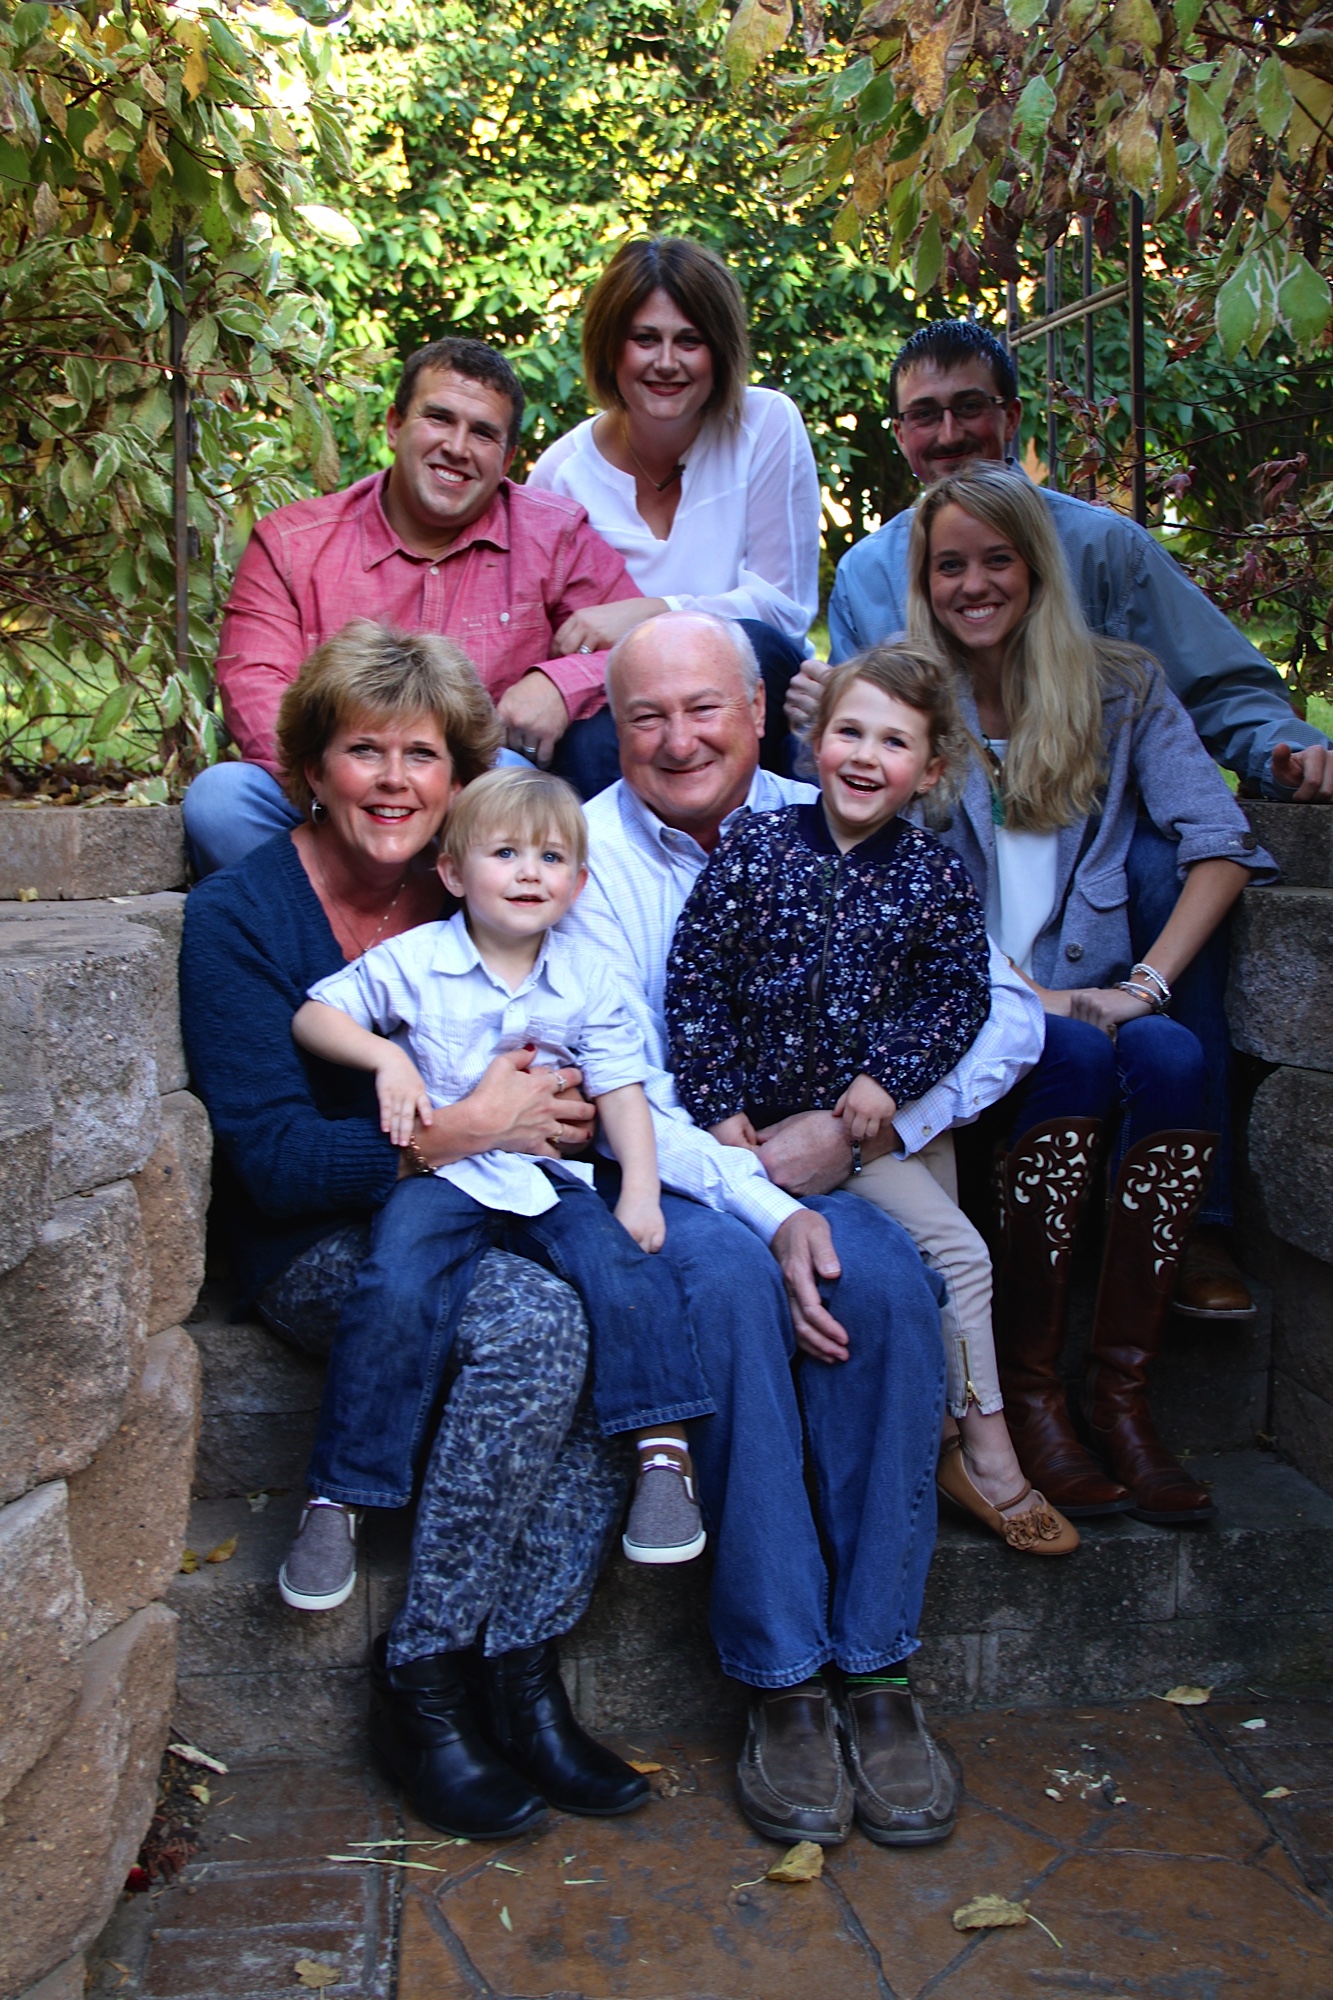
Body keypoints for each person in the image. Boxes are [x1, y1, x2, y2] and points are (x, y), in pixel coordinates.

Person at [558, 608, 1047, 1849]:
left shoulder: (843, 808)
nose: (678, 739)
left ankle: (875, 1667)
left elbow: (1002, 1012)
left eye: (703, 708)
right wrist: (763, 1194)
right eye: (647, 716)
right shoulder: (585, 854)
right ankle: (780, 1679)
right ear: (612, 728)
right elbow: (624, 1066)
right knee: (732, 1296)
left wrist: (867, 1126)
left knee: (887, 1292)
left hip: (826, 1156)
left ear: (758, 712)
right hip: (669, 1169)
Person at [180, 620, 650, 1839]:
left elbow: (577, 1072)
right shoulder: (243, 917)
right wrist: (453, 1131)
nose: (393, 781)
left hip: (512, 1202)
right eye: (363, 750)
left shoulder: (493, 884)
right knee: (535, 1325)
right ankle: (425, 1677)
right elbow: (274, 1163)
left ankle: (523, 1663)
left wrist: (555, 1118)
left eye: (423, 755)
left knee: (628, 1304)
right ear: (312, 766)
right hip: (322, 1241)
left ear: (460, 780)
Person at [801, 316, 1333, 1316]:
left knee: (1159, 951)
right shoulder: (877, 596)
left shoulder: (1110, 610)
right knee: (1076, 1039)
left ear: (1009, 418)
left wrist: (1275, 747)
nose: (948, 432)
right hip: (956, 942)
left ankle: (1188, 1244)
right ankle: (1034, 1359)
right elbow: (863, 810)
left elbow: (1220, 711)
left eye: (969, 407)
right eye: (924, 415)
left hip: (1092, 899)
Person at [905, 463, 1276, 1525]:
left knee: (1171, 1053)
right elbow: (881, 871)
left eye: (996, 560)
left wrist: (1146, 985)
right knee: (1068, 1051)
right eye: (948, 566)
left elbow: (1220, 841)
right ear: (924, 583)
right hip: (972, 1018)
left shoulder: (1122, 687)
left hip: (1092, 1001)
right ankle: (1031, 1391)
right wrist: (1029, 1000)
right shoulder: (909, 699)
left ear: (1034, 567)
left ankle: (1121, 1394)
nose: (973, 585)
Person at [664, 643, 1078, 1557]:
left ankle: (980, 1448)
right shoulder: (754, 848)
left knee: (955, 1254)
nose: (864, 755)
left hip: (860, 1132)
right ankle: (949, 1444)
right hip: (752, 1126)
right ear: (815, 740)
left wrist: (888, 1078)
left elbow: (955, 998)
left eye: (893, 742)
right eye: (848, 731)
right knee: (922, 1259)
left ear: (929, 770)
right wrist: (716, 1105)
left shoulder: (932, 876)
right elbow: (695, 982)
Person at [289, 765, 711, 1572]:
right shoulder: (415, 960)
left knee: (623, 1266)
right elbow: (316, 1015)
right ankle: (339, 1496)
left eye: (551, 858)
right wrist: (386, 1058)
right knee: (394, 1282)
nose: (529, 873)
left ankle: (663, 1457)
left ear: (577, 885)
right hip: (442, 1175)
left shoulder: (589, 977)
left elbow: (621, 1089)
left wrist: (641, 1194)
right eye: (505, 853)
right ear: (452, 872)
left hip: (541, 1176)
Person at [183, 336, 644, 876]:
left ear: (507, 458)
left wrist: (559, 684)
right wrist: (355, 790)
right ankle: (354, 911)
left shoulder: (555, 536)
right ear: (395, 425)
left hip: (468, 809)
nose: (457, 446)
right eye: (439, 418)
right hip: (330, 801)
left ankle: (407, 914)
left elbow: (642, 656)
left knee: (509, 776)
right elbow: (256, 687)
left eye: (483, 433)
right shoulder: (293, 544)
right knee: (222, 800)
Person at [526, 235, 820, 775]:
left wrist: (656, 611)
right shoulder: (561, 474)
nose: (666, 363)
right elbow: (562, 642)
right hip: (630, 711)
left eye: (689, 341)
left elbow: (783, 611)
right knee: (587, 745)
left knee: (756, 642)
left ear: (720, 350)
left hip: (750, 692)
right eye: (645, 339)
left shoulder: (765, 424)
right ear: (611, 346)